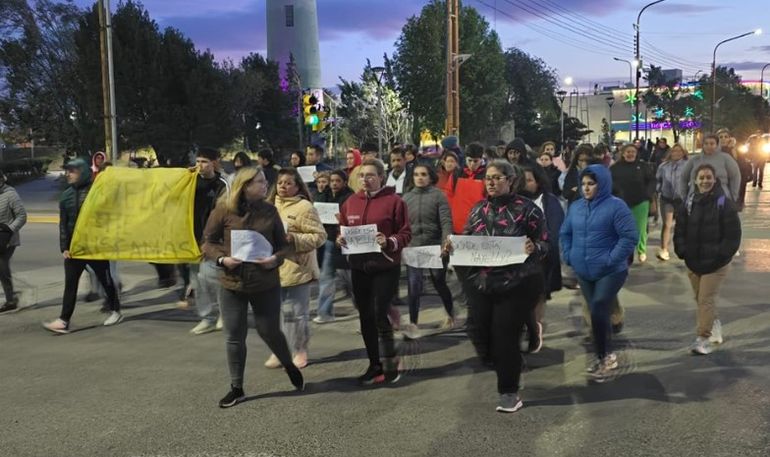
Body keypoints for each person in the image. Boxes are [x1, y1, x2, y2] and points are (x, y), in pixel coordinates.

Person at [449, 159, 548, 413]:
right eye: (488, 178)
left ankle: (509, 391)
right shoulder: (478, 209)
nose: (491, 183)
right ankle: (506, 360)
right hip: (482, 282)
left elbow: (545, 243)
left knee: (505, 336)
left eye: (497, 178)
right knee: (478, 330)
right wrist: (453, 246)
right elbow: (468, 239)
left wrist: (535, 247)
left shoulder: (528, 210)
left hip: (517, 282)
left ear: (511, 181)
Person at [202, 166, 304, 408]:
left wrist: (274, 259)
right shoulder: (223, 210)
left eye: (265, 181)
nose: (265, 185)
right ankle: (236, 388)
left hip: (265, 283)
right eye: (260, 181)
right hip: (232, 282)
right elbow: (208, 242)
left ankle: (288, 364)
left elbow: (283, 246)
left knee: (269, 331)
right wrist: (222, 259)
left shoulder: (269, 211)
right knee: (234, 336)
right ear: (245, 185)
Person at [560, 164, 638, 381]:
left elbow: (629, 237)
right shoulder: (576, 207)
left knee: (598, 307)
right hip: (584, 270)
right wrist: (569, 255)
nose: (586, 188)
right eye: (583, 184)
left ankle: (603, 357)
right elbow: (565, 233)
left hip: (610, 270)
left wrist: (611, 259)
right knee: (598, 313)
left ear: (602, 184)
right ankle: (606, 351)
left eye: (591, 184)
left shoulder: (616, 206)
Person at [338, 158, 411, 385]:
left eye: (370, 175)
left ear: (381, 177)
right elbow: (344, 229)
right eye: (362, 175)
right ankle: (374, 365)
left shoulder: (395, 202)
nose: (365, 179)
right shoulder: (350, 202)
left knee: (380, 314)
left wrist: (389, 241)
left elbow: (405, 233)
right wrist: (340, 239)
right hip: (359, 267)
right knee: (366, 316)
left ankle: (390, 361)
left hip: (385, 267)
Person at [43, 158, 122, 333]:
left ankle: (116, 310)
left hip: (94, 246)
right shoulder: (66, 196)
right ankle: (64, 320)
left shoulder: (97, 192)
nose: (68, 174)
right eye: (67, 171)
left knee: (105, 280)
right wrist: (64, 247)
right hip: (74, 249)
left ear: (83, 172)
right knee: (70, 284)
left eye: (72, 171)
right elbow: (63, 225)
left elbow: (108, 217)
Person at [674, 164, 741, 355]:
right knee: (701, 299)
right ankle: (714, 325)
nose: (705, 181)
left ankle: (703, 339)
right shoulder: (688, 204)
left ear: (715, 179)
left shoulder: (723, 203)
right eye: (701, 177)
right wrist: (682, 250)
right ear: (695, 181)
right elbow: (680, 230)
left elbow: (733, 235)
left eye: (709, 177)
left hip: (717, 263)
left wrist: (721, 254)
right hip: (694, 261)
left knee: (705, 299)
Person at [266, 168, 326, 369]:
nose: (283, 186)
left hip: (297, 268)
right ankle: (279, 351)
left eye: (288, 183)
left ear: (298, 186)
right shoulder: (268, 205)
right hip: (271, 267)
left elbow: (319, 236)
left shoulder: (304, 207)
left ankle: (300, 349)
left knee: (297, 313)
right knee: (275, 314)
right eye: (280, 182)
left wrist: (294, 238)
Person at [402, 164, 454, 338]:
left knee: (439, 282)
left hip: (435, 247)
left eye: (423, 174)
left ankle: (450, 315)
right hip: (413, 247)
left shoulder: (439, 196)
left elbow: (446, 221)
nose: (420, 177)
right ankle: (413, 323)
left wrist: (446, 242)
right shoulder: (406, 197)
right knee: (414, 286)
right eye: (416, 174)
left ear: (431, 177)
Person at [520, 166, 564, 352]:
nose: (525, 184)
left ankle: (536, 326)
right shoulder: (514, 200)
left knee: (539, 293)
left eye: (529, 180)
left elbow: (555, 230)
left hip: (543, 257)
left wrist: (541, 247)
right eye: (522, 180)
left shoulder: (549, 201)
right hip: (519, 257)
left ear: (538, 182)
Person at [187, 147, 230, 334]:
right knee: (197, 280)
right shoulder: (190, 182)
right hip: (192, 238)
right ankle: (207, 317)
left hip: (214, 240)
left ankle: (224, 313)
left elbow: (225, 212)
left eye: (204, 161)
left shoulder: (222, 184)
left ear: (214, 163)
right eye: (197, 161)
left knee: (215, 278)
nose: (200, 165)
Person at [314, 170, 354, 323]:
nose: (334, 184)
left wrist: (342, 220)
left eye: (338, 181)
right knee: (326, 277)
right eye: (332, 181)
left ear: (344, 182)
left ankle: (367, 312)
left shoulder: (350, 197)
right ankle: (325, 313)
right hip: (329, 241)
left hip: (346, 241)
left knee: (352, 281)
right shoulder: (324, 195)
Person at [611, 143, 655, 263]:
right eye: (628, 152)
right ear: (623, 154)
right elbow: (610, 184)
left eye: (633, 152)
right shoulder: (615, 168)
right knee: (623, 228)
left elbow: (652, 181)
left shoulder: (643, 166)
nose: (631, 154)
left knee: (640, 228)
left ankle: (641, 250)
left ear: (636, 154)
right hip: (621, 202)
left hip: (641, 201)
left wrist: (648, 194)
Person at [679, 134, 741, 201]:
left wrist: (733, 196)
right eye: (706, 143)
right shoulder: (694, 160)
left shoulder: (726, 158)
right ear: (703, 145)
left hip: (720, 197)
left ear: (717, 145)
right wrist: (684, 196)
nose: (709, 146)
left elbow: (735, 176)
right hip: (696, 198)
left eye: (712, 144)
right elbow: (683, 177)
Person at [0, 170, 27, 312]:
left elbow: (22, 216)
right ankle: (11, 296)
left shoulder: (10, 194)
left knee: (2, 266)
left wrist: (9, 229)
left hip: (8, 239)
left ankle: (10, 300)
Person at [655, 143, 688, 261]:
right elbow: (658, 180)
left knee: (682, 224)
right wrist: (659, 189)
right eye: (674, 151)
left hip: (682, 199)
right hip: (667, 198)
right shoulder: (663, 166)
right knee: (667, 224)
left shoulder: (688, 165)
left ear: (683, 153)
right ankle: (664, 249)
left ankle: (684, 248)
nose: (676, 153)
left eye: (679, 151)